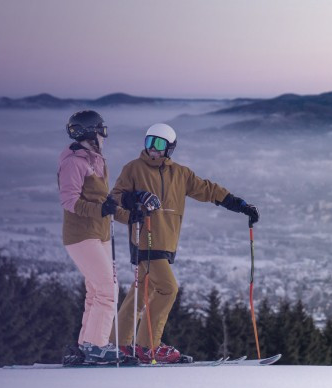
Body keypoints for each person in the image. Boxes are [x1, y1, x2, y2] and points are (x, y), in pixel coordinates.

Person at [109, 123, 259, 363]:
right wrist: (135, 196)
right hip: (144, 239)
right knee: (168, 288)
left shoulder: (180, 174)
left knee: (140, 292)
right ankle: (148, 347)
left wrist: (240, 205)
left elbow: (208, 190)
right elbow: (115, 197)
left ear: (170, 148)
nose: (152, 149)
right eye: (149, 142)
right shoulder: (134, 169)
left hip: (167, 242)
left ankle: (120, 344)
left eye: (158, 144)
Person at [57, 110, 158, 365]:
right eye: (101, 131)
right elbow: (70, 201)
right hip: (81, 235)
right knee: (107, 290)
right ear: (90, 133)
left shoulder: (98, 161)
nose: (104, 136)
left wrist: (128, 215)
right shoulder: (74, 162)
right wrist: (100, 210)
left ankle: (85, 344)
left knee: (96, 290)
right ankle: (97, 346)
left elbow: (106, 202)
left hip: (99, 233)